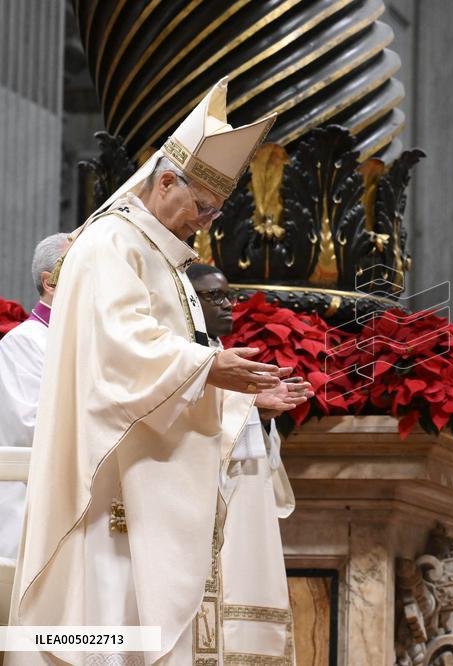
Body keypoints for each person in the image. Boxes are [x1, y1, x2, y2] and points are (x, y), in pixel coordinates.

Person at [6, 78, 298, 664]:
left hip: (144, 484)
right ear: (166, 182)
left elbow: (165, 357)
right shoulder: (111, 244)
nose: (206, 223)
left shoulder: (159, 255)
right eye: (203, 207)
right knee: (108, 629)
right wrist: (210, 368)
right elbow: (120, 347)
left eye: (216, 212)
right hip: (111, 485)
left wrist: (238, 397)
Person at [188, 262, 306, 663]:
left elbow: (246, 444)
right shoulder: (185, 360)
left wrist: (263, 415)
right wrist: (252, 404)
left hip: (244, 506)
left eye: (229, 296)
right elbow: (188, 428)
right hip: (207, 511)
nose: (227, 305)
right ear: (188, 302)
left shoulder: (223, 356)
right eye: (214, 296)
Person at [0, 232, 69, 560]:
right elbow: (30, 425)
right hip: (32, 504)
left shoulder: (83, 340)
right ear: (50, 282)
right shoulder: (23, 343)